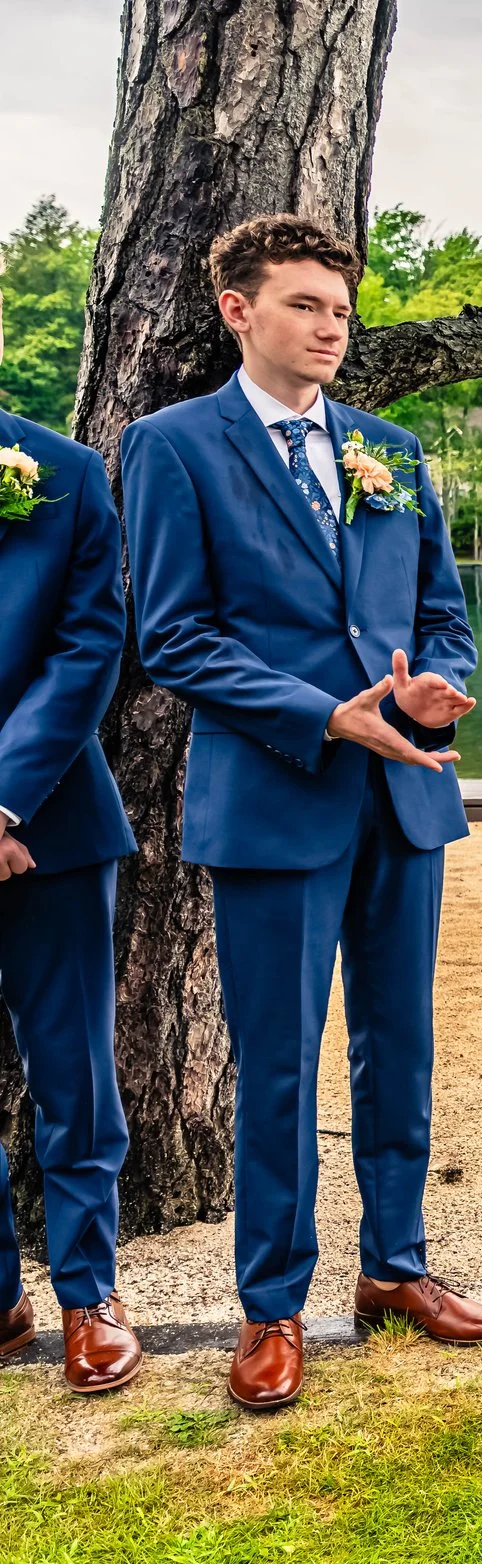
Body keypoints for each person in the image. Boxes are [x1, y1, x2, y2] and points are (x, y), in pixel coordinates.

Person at [124, 214, 482, 1414]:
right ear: (238, 310)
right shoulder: (171, 446)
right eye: (306, 303)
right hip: (275, 795)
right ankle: (271, 1306)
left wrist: (430, 695)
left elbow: (439, 610)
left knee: (399, 1046)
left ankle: (395, 1268)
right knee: (281, 1064)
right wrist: (326, 713)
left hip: (404, 796)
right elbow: (173, 635)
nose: (333, 325)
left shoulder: (389, 450)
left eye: (342, 307)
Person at [0, 408, 143, 1394]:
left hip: (47, 824)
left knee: (75, 1074)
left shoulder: (62, 471)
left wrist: (2, 796)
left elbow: (90, 645)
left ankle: (90, 1294)